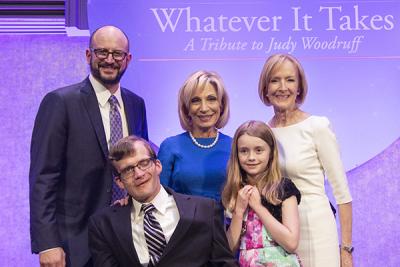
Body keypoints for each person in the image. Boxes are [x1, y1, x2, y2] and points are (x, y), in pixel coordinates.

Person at [29, 25, 148, 267]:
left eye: (117, 54)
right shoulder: (60, 102)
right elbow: (43, 177)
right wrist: (47, 243)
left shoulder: (137, 104)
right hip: (75, 242)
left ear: (128, 59)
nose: (110, 60)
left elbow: (141, 169)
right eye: (102, 52)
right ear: (88, 55)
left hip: (128, 240)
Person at [258, 53, 353, 267]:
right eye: (275, 80)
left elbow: (343, 194)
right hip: (278, 232)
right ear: (265, 88)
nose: (283, 87)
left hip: (316, 229)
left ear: (299, 87)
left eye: (290, 80)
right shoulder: (264, 133)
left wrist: (346, 250)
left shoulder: (317, 127)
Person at [88, 135, 238, 267]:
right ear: (120, 182)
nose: (139, 174)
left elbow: (224, 263)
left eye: (144, 163)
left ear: (158, 165)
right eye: (128, 170)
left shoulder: (205, 209)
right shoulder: (103, 224)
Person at [222, 121, 302, 267]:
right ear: (236, 154)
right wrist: (238, 212)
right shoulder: (235, 191)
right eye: (244, 151)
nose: (251, 157)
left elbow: (291, 243)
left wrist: (258, 207)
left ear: (271, 152)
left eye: (259, 150)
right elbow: (229, 248)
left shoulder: (283, 188)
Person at [158, 70, 231, 201]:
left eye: (211, 99)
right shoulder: (170, 146)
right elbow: (158, 196)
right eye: (196, 101)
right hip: (181, 220)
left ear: (221, 104)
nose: (204, 108)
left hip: (226, 221)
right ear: (186, 109)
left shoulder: (234, 145)